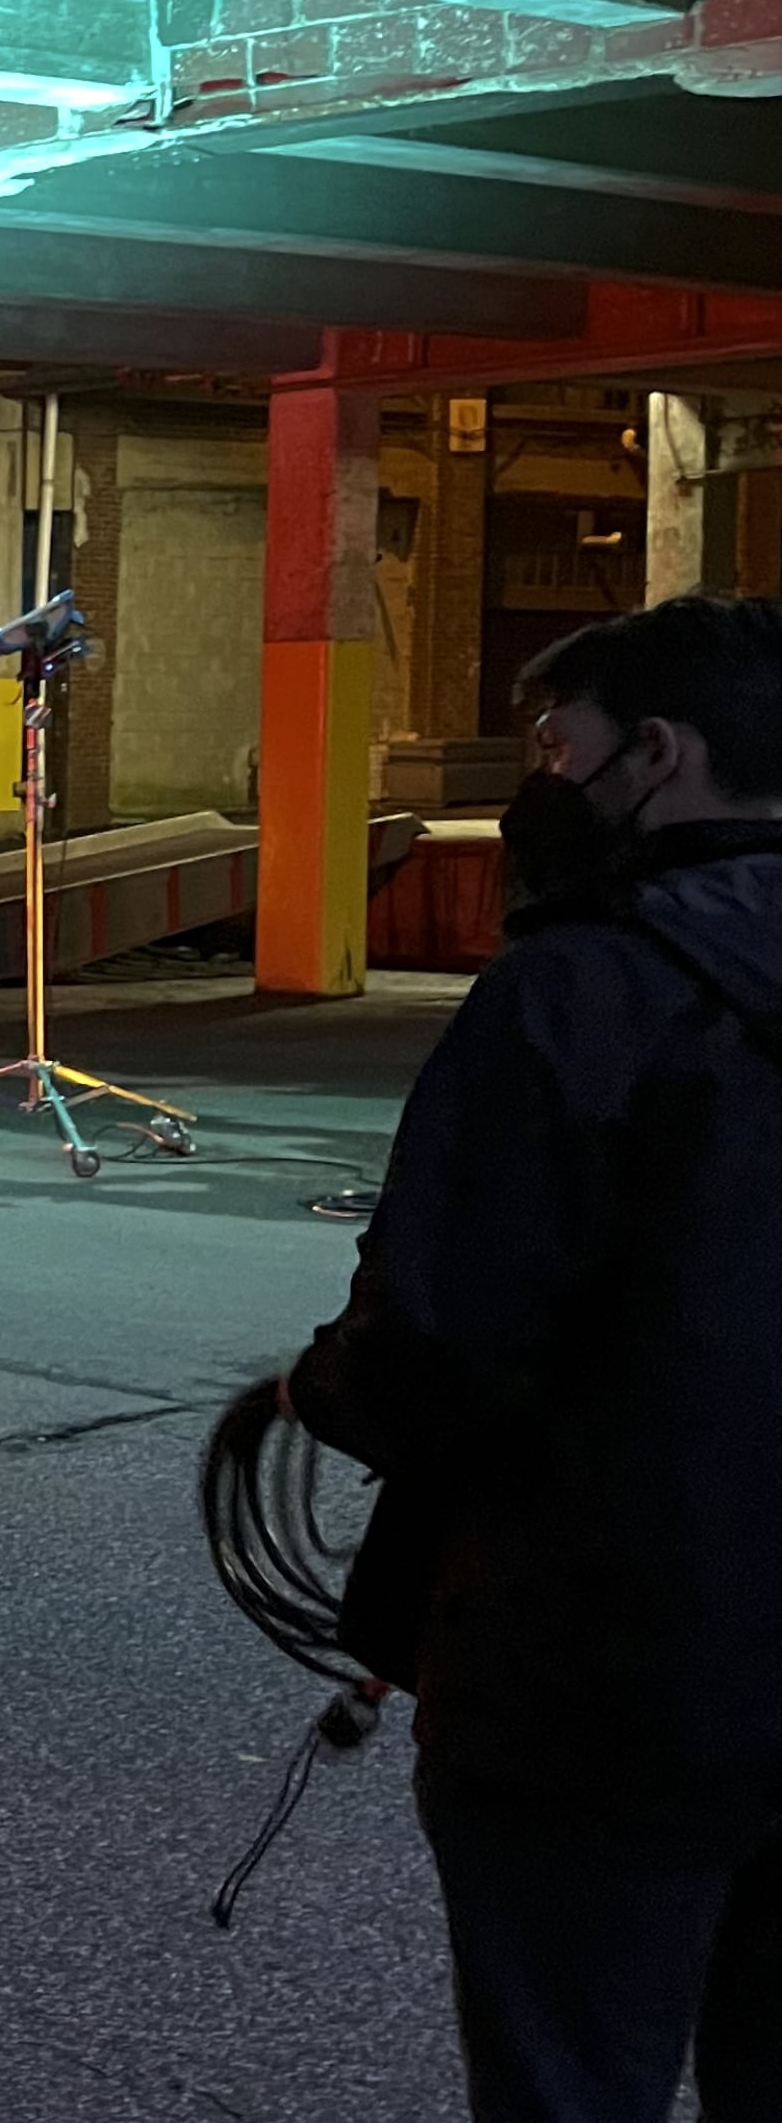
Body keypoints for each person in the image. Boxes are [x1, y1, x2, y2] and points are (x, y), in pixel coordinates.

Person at [278, 594, 782, 2122]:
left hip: (611, 1681)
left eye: (560, 751)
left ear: (659, 752)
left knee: (574, 2077)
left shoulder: (581, 988)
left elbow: (434, 1338)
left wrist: (322, 1389)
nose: (542, 786)